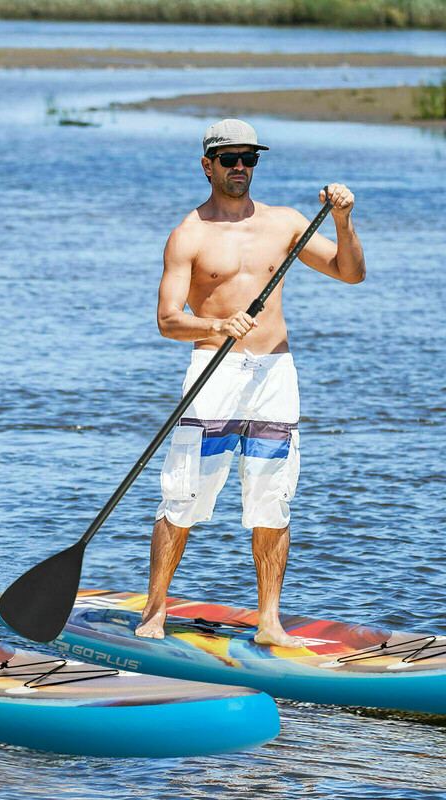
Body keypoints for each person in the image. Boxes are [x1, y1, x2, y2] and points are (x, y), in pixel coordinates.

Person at [135, 119, 365, 646]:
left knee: (272, 499)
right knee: (184, 496)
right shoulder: (188, 235)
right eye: (230, 157)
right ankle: (153, 613)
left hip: (275, 375)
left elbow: (351, 273)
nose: (241, 166)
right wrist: (215, 325)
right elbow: (168, 320)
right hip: (214, 373)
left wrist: (345, 221)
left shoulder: (285, 224)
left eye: (250, 158)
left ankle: (269, 622)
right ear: (208, 165)